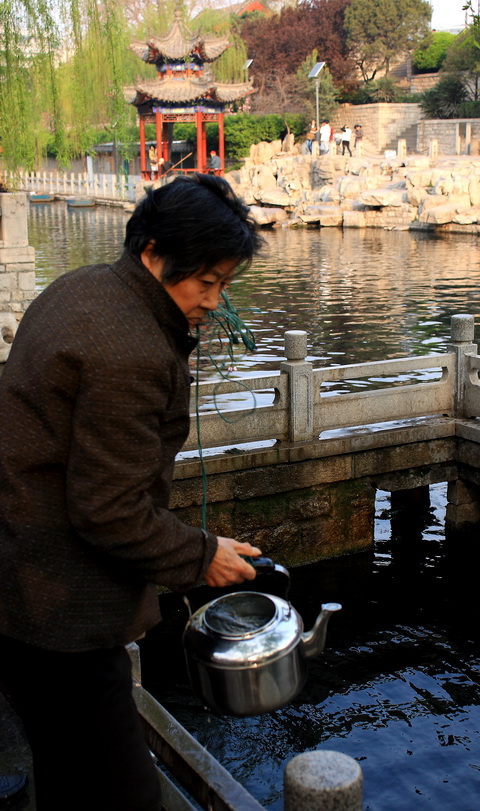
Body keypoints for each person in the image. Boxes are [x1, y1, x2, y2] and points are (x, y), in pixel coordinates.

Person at [0, 173, 264, 811]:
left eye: (223, 284)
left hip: (17, 577)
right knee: (121, 791)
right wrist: (202, 556)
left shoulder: (82, 288)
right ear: (154, 253)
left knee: (66, 770)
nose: (213, 301)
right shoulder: (130, 350)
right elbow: (108, 510)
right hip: (61, 610)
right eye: (207, 282)